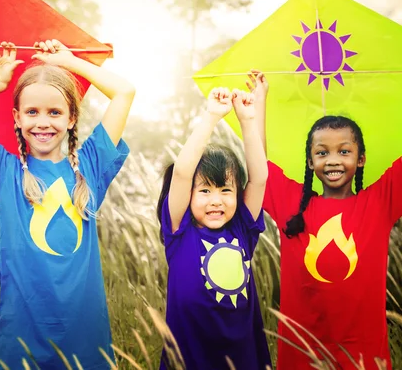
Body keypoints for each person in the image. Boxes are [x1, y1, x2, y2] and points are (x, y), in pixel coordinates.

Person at [0, 39, 135, 369]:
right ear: (17, 118)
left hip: (85, 337)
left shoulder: (90, 166)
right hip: (21, 337)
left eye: (55, 112)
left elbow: (124, 92)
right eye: (32, 112)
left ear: (72, 118)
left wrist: (68, 61)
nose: (43, 122)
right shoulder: (3, 171)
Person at [248, 70, 401, 369]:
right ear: (310, 161)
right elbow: (257, 167)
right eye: (322, 152)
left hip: (363, 354)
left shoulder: (378, 203)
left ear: (361, 159)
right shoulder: (292, 205)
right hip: (302, 352)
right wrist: (258, 103)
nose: (332, 159)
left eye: (344, 151)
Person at [156, 87, 271, 370]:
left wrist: (247, 120)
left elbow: (259, 178)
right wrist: (211, 117)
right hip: (190, 355)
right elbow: (183, 172)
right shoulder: (179, 231)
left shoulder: (242, 229)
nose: (216, 201)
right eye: (205, 190)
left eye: (225, 190)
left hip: (241, 355)